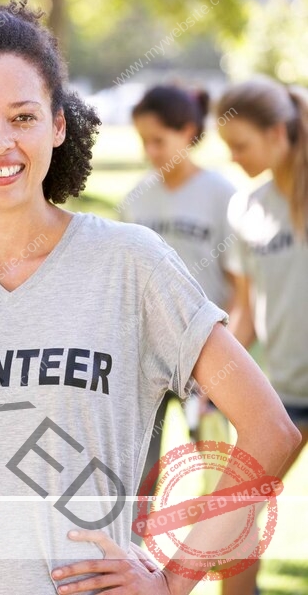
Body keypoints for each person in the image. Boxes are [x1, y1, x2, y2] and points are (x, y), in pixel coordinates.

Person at [0, 1, 298, 594]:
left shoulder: (131, 263)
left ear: (58, 125)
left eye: (22, 117)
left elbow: (271, 433)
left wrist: (172, 580)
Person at [121, 85, 236, 499]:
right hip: (145, 357)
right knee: (136, 478)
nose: (150, 151)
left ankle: (216, 561)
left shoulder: (222, 195)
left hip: (208, 359)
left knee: (219, 482)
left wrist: (222, 361)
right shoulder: (136, 199)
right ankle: (131, 558)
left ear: (187, 131)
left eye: (158, 140)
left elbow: (241, 286)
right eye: (143, 141)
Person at [216, 78, 308, 595]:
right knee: (233, 525)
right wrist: (212, 375)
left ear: (278, 133)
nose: (233, 159)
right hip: (283, 397)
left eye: (241, 146)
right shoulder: (246, 207)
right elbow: (246, 314)